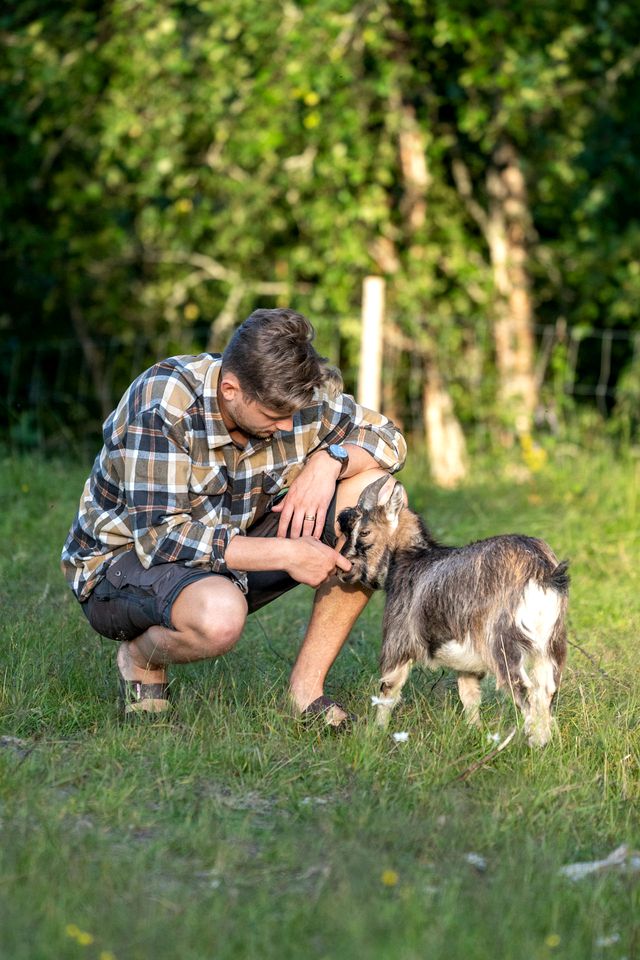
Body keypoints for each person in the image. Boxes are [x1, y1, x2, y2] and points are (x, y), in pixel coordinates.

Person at [61, 308, 406, 726]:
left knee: (378, 495)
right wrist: (287, 553)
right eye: (273, 415)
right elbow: (161, 537)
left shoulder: (292, 401)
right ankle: (139, 659)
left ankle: (306, 691)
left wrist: (329, 460)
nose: (285, 426)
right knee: (219, 617)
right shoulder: (163, 402)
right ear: (230, 388)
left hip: (229, 550)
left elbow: (389, 437)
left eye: (292, 416)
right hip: (121, 565)